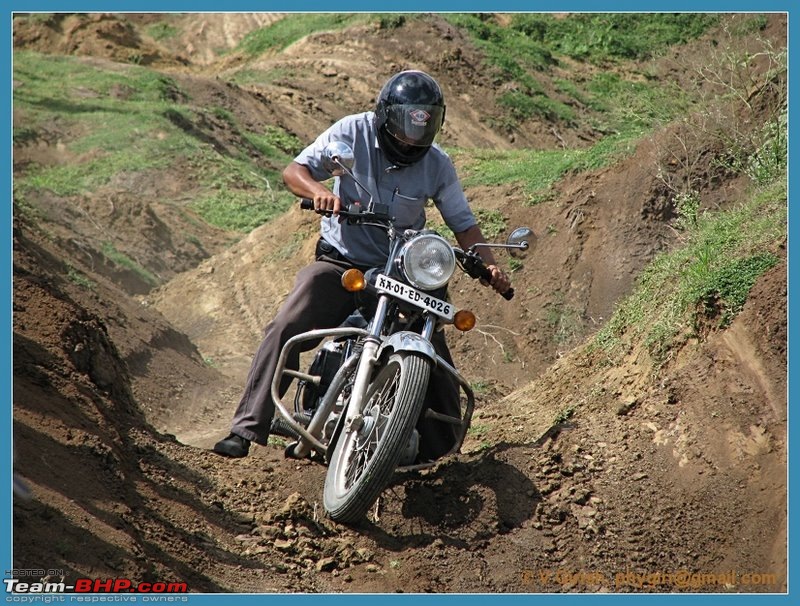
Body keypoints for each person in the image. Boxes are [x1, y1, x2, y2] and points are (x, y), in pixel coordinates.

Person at [213, 69, 511, 459]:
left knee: (433, 351)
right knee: (287, 324)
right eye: (404, 128)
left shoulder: (437, 164)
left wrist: (489, 266)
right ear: (386, 116)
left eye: (421, 130)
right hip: (341, 265)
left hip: (400, 272)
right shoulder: (351, 133)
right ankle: (246, 428)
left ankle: (442, 457)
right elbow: (294, 171)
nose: (411, 139)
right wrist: (320, 191)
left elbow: (464, 224)